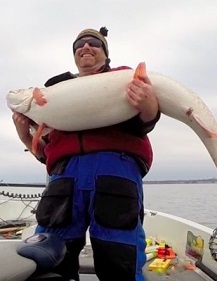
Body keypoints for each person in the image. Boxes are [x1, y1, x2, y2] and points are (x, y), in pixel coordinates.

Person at [12, 26, 160, 281]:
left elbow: (145, 122)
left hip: (115, 170)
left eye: (94, 43)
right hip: (64, 177)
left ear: (106, 53)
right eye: (79, 45)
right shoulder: (55, 90)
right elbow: (47, 154)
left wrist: (149, 105)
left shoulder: (125, 79)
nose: (86, 47)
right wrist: (25, 134)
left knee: (119, 257)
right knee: (50, 255)